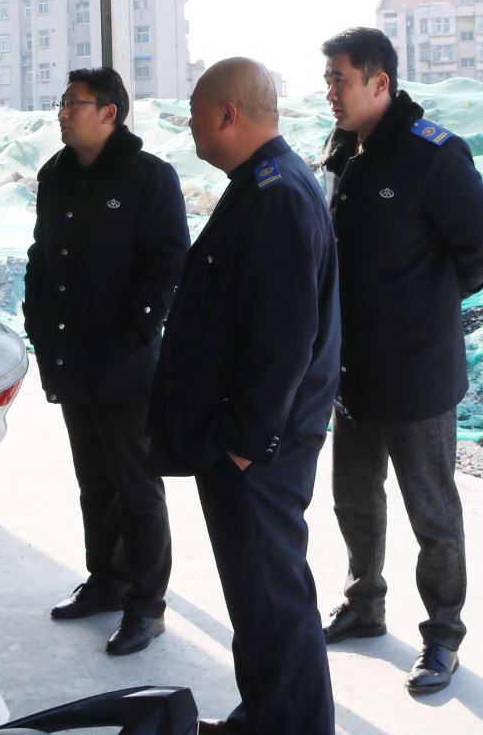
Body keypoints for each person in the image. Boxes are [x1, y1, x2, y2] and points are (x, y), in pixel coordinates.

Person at [149, 57, 340, 735]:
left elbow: (285, 339)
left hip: (259, 447)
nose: (190, 124)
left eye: (195, 112)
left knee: (273, 599)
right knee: (257, 599)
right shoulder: (261, 184)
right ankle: (265, 714)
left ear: (228, 114)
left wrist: (242, 443)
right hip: (251, 441)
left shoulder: (276, 194)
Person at [318, 28, 483, 694]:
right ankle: (364, 603)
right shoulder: (343, 150)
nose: (329, 91)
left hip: (417, 370)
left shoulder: (431, 153)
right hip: (351, 367)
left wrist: (431, 297)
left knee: (432, 513)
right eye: (327, 79)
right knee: (353, 498)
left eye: (340, 79)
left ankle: (443, 636)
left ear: (380, 82)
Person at [24, 66, 188, 655]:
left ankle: (147, 605)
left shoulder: (148, 177)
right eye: (62, 102)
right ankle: (107, 582)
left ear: (109, 113)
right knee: (93, 481)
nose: (63, 112)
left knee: (136, 487)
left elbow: (169, 260)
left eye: (75, 102)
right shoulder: (56, 175)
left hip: (127, 364)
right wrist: (38, 326)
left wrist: (136, 333)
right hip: (72, 357)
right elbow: (43, 256)